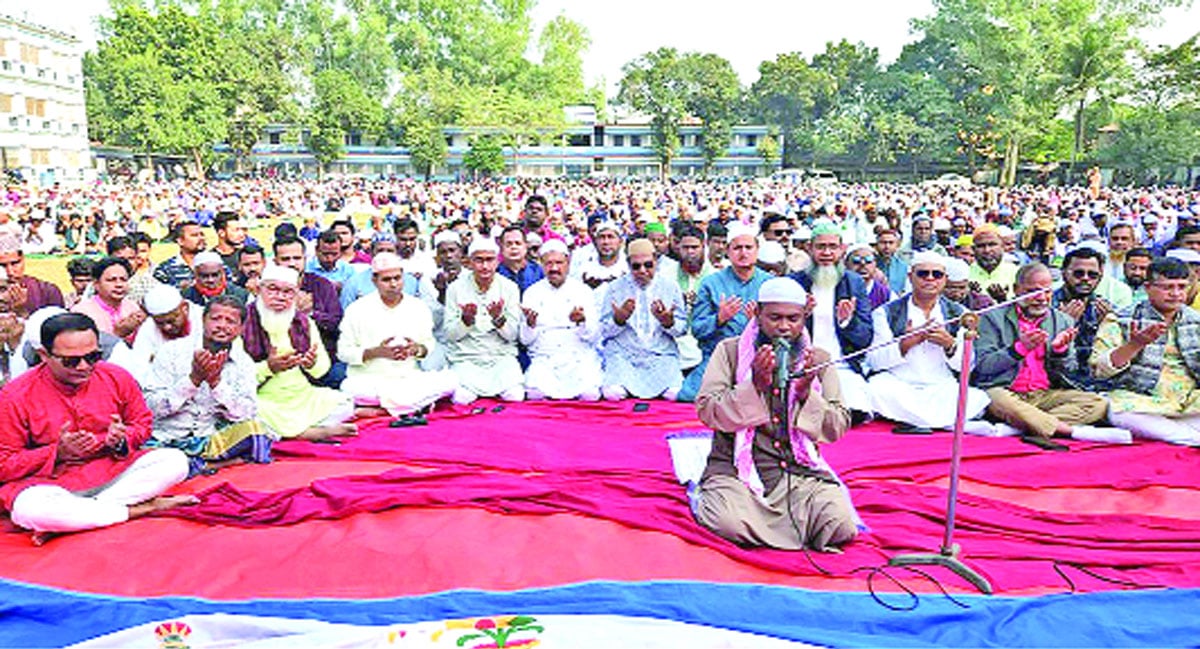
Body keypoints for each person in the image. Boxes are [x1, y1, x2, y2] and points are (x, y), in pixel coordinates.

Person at [693, 277, 857, 552]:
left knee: (839, 523)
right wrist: (754, 386)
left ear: (805, 316)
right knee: (727, 522)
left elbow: (837, 426)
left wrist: (807, 394)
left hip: (797, 472)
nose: (783, 327)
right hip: (736, 473)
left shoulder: (817, 359)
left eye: (793, 318)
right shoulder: (731, 352)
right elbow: (708, 411)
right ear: (757, 313)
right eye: (775, 317)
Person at [0, 313, 194, 541]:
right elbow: (4, 464)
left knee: (175, 461)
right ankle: (140, 509)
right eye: (71, 361)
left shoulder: (116, 377)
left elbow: (141, 424)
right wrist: (57, 452)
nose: (84, 366)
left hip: (110, 470)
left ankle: (75, 518)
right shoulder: (15, 396)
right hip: (51, 483)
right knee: (29, 511)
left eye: (93, 357)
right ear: (44, 355)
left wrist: (121, 439)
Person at [973, 262, 1108, 438]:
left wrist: (1060, 352)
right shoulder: (991, 318)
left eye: (1047, 291)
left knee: (1098, 404)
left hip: (1044, 395)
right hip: (1006, 391)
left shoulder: (1062, 321)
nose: (1042, 298)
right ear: (1017, 290)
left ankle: (1022, 426)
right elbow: (983, 367)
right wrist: (1019, 349)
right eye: (1034, 292)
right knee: (992, 398)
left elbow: (1070, 370)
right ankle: (1065, 430)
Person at [144, 296, 273, 474]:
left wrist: (216, 384)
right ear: (203, 321)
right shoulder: (171, 352)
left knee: (259, 432)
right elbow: (151, 408)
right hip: (166, 437)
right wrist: (193, 380)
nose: (222, 326)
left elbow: (246, 413)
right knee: (143, 458)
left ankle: (192, 466)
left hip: (208, 439)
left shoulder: (244, 362)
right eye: (216, 319)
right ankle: (206, 466)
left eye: (230, 321)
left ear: (241, 329)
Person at [866, 252, 990, 431]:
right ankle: (943, 422)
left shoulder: (960, 314)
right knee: (874, 388)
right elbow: (874, 361)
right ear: (911, 276)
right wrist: (905, 344)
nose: (930, 279)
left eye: (937, 274)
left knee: (976, 398)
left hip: (941, 386)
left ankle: (916, 421)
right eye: (923, 273)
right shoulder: (885, 312)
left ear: (945, 279)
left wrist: (950, 345)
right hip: (898, 384)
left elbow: (967, 366)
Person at [1092, 257, 1200, 446]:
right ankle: (1190, 437)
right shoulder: (1121, 319)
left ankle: (1178, 434)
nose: (1176, 294)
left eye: (1182, 287)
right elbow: (1099, 370)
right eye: (1168, 288)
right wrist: (1135, 345)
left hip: (1190, 399)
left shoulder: (1195, 320)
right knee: (1118, 411)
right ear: (1147, 287)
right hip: (1140, 398)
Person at [244, 264, 357, 440]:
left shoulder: (304, 322)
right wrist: (269, 367)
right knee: (244, 412)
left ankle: (287, 432)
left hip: (301, 395)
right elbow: (234, 378)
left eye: (288, 292)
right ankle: (309, 433)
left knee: (344, 403)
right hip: (264, 399)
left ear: (296, 295)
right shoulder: (242, 321)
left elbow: (322, 369)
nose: (280, 297)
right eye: (273, 289)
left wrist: (311, 363)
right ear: (259, 290)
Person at [337, 252, 457, 417]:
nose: (393, 284)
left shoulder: (418, 307)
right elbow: (343, 352)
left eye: (397, 278)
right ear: (374, 281)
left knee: (451, 381)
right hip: (370, 380)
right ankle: (411, 407)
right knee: (348, 388)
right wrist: (376, 352)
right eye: (386, 280)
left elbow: (428, 345)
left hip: (408, 378)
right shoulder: (357, 310)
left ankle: (382, 410)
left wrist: (416, 349)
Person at [786, 220, 874, 417]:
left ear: (842, 249)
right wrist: (800, 318)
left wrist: (847, 322)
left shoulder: (854, 283)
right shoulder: (794, 283)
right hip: (802, 364)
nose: (826, 253)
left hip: (841, 365)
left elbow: (866, 338)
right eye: (821, 247)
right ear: (809, 248)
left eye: (832, 247)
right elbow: (779, 332)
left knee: (855, 408)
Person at [679, 223, 769, 402]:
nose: (743, 253)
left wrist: (757, 324)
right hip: (719, 357)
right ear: (728, 251)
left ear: (757, 250)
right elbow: (697, 329)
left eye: (748, 247)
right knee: (688, 395)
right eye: (737, 248)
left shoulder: (770, 284)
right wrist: (719, 319)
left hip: (759, 357)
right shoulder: (711, 283)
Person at [599, 238, 688, 401]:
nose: (642, 270)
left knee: (675, 394)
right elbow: (603, 331)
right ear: (628, 264)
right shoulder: (614, 288)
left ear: (656, 261)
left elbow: (682, 330)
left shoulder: (670, 287)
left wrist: (668, 322)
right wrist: (619, 320)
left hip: (660, 354)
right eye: (636, 266)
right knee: (613, 394)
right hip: (624, 355)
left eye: (648, 265)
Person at [443, 237, 524, 404]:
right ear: (469, 262)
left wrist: (498, 319)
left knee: (515, 396)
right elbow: (449, 335)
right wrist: (465, 321)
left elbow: (512, 336)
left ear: (498, 261)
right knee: (461, 399)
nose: (485, 266)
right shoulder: (455, 288)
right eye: (479, 260)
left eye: (489, 260)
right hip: (467, 357)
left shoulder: (509, 288)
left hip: (500, 357)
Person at [519, 240, 603, 400]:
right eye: (549, 263)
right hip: (545, 358)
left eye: (559, 263)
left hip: (578, 357)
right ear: (542, 264)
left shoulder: (583, 291)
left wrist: (582, 321)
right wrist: (530, 325)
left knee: (590, 395)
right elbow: (525, 340)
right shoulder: (532, 293)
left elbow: (594, 336)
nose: (554, 268)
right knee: (534, 394)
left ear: (568, 263)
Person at [273, 235, 344, 387]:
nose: (292, 264)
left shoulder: (321, 285)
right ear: (275, 262)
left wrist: (310, 313)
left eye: (297, 258)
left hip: (322, 359)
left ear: (305, 259)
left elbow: (336, 322)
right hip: (281, 364)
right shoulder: (267, 290)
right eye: (285, 259)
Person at [1052, 246, 1116, 391]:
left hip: (1095, 381)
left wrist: (1105, 327)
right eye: (1078, 273)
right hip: (1058, 381)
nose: (1085, 279)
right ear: (1064, 274)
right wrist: (1063, 324)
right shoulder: (1047, 305)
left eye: (1092, 275)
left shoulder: (1103, 307)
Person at [418, 230, 466, 371]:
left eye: (452, 250)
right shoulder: (427, 280)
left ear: (461, 252)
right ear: (437, 256)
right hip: (438, 341)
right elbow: (431, 322)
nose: (448, 256)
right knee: (429, 369)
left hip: (466, 341)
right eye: (443, 252)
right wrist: (442, 294)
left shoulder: (471, 277)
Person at [71, 257, 144, 344]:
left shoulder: (132, 307)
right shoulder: (81, 312)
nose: (119, 284)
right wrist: (117, 334)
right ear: (96, 284)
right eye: (111, 280)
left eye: (123, 280)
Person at [131, 283, 203, 370]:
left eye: (171, 321)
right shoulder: (149, 326)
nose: (167, 327)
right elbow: (140, 364)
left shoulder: (203, 319)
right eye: (160, 323)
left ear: (185, 308)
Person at [0, 232, 64, 316]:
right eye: (2, 266)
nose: (10, 272)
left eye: (15, 263)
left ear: (23, 259)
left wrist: (21, 311)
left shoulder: (47, 291)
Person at [969, 224, 1018, 303]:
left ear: (1002, 246)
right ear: (973, 249)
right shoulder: (965, 274)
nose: (987, 250)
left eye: (992, 245)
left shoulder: (1016, 273)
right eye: (981, 246)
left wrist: (1003, 301)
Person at [182, 251, 250, 308]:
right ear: (195, 275)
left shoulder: (242, 295)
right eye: (204, 276)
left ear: (223, 273)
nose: (210, 280)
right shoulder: (185, 298)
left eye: (215, 275)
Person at [571, 220, 626, 289]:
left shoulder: (629, 268)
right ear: (595, 242)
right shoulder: (584, 270)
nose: (606, 242)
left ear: (620, 242)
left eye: (611, 237)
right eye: (602, 237)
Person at [154, 221, 206, 290]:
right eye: (194, 235)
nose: (201, 238)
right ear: (180, 241)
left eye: (202, 234)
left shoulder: (216, 264)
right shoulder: (165, 270)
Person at [497, 225, 545, 294]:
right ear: (501, 248)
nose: (513, 247)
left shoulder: (538, 271)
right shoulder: (495, 273)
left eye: (518, 243)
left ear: (526, 246)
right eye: (508, 244)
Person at [845, 243, 893, 310]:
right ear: (846, 264)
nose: (863, 264)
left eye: (868, 260)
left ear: (875, 264)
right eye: (856, 261)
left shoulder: (886, 294)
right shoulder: (839, 290)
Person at [874, 228, 908, 294]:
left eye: (891, 243)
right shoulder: (870, 265)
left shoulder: (903, 266)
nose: (887, 246)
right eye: (883, 243)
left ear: (897, 245)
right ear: (876, 245)